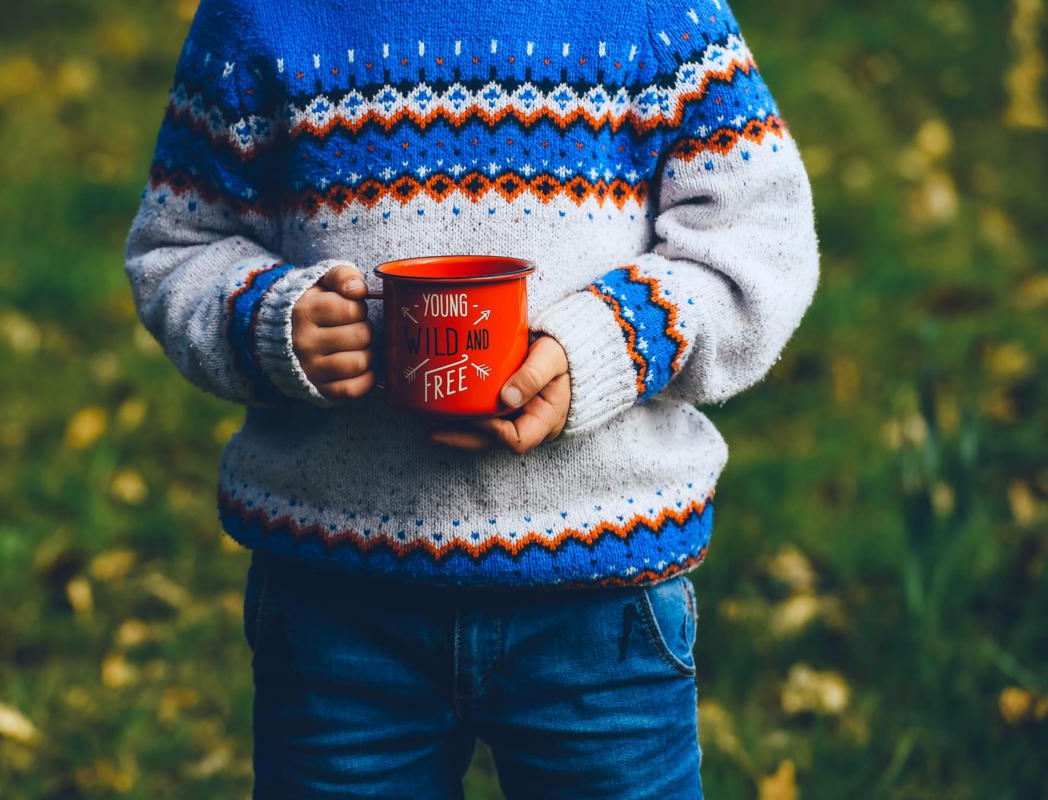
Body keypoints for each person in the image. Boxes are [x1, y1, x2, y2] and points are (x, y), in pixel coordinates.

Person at [123, 0, 819, 795]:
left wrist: (608, 342)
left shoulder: (655, 15)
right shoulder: (258, 18)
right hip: (338, 608)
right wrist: (269, 320)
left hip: (600, 600)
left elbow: (758, 240)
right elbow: (177, 244)